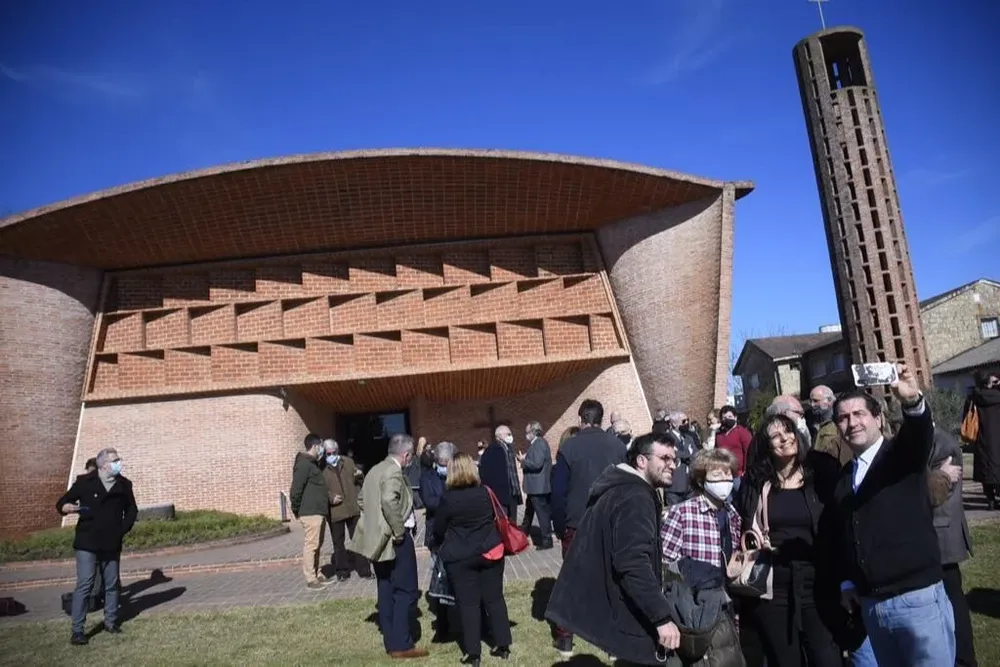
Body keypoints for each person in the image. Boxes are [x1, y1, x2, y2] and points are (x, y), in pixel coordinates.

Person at [833, 364, 955, 667]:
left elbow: (918, 434)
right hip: (873, 605)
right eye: (843, 418)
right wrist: (848, 582)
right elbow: (848, 533)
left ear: (878, 418)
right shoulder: (844, 478)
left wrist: (912, 402)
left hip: (917, 601)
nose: (852, 423)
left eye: (859, 414)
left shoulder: (900, 456)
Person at [546, 433, 683, 665]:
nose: (672, 465)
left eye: (674, 459)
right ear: (641, 461)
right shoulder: (635, 497)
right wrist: (661, 617)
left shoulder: (623, 487)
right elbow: (632, 563)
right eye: (664, 458)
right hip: (631, 614)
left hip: (624, 604)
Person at [734, 413, 843, 667]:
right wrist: (755, 542)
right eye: (775, 436)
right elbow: (743, 524)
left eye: (788, 431)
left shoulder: (820, 475)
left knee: (827, 658)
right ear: (766, 445)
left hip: (817, 581)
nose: (784, 439)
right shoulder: (756, 482)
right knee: (786, 660)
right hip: (774, 585)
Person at [550, 398, 628, 657]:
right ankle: (612, 641)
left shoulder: (569, 448)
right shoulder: (617, 446)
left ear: (581, 420)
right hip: (611, 521)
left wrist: (559, 526)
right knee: (611, 579)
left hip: (577, 522)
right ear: (602, 419)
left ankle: (565, 639)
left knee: (572, 580)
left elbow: (558, 492)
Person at [348, 433, 428, 659]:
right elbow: (387, 501)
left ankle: (391, 640)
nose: (410, 459)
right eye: (410, 456)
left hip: (379, 540)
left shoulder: (374, 469)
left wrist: (376, 523)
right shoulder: (393, 471)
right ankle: (401, 645)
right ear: (406, 454)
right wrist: (398, 529)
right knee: (406, 591)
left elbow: (362, 500)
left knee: (385, 587)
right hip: (396, 540)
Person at [433, 453, 513, 666]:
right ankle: (503, 643)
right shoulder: (485, 492)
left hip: (460, 556)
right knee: (495, 598)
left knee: (468, 604)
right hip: (490, 551)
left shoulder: (448, 499)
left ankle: (473, 652)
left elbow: (438, 528)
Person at [56, 447, 137, 645]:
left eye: (119, 459)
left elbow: (132, 509)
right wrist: (65, 508)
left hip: (112, 542)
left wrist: (121, 530)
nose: (120, 463)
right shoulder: (85, 482)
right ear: (103, 465)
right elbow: (63, 502)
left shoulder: (124, 484)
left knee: (111, 584)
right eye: (115, 460)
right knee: (85, 583)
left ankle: (110, 622)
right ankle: (77, 630)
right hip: (87, 541)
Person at [926, 427, 977, 667]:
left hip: (941, 533)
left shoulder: (941, 443)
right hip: (936, 532)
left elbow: (939, 492)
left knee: (952, 599)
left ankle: (964, 659)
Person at [322, 439, 370, 581]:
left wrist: (360, 476)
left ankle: (364, 569)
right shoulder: (322, 469)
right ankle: (342, 571)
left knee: (358, 540)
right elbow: (321, 490)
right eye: (328, 453)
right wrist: (330, 498)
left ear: (338, 451)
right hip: (336, 512)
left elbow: (359, 481)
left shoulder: (348, 462)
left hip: (352, 508)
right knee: (338, 543)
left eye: (333, 452)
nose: (331, 455)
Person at [421, 441, 455, 642]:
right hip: (437, 536)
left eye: (447, 462)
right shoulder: (427, 478)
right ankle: (443, 625)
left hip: (457, 535)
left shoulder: (458, 476)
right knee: (440, 577)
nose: (444, 466)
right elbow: (430, 502)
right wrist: (450, 502)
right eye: (441, 462)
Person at [289, 433, 332, 589]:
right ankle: (310, 578)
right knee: (312, 545)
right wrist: (297, 510)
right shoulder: (304, 464)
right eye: (320, 446)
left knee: (317, 545)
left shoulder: (313, 464)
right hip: (310, 512)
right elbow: (295, 490)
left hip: (318, 512)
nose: (322, 449)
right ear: (315, 446)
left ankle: (317, 573)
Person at [518, 421, 553, 549]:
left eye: (527, 432)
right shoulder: (537, 444)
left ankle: (547, 540)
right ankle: (523, 532)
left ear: (533, 431)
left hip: (538, 487)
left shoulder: (539, 443)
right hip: (534, 487)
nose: (526, 435)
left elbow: (537, 464)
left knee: (542, 515)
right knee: (529, 512)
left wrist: (523, 461)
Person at [968, 371, 1000, 510]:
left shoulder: (973, 398)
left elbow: (966, 415)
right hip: (997, 437)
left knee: (985, 469)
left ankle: (991, 500)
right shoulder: (998, 396)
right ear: (989, 382)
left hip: (981, 438)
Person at [478, 425, 522, 522]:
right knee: (503, 522)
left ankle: (512, 537)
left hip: (512, 492)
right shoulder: (493, 450)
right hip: (501, 495)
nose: (511, 436)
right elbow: (486, 472)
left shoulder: (509, 448)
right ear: (499, 436)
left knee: (512, 522)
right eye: (508, 434)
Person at [714, 406, 752, 478]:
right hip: (723, 474)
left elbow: (748, 452)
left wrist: (745, 470)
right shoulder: (719, 435)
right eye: (724, 418)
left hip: (739, 474)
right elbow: (716, 452)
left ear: (735, 417)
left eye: (730, 416)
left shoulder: (742, 432)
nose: (727, 419)